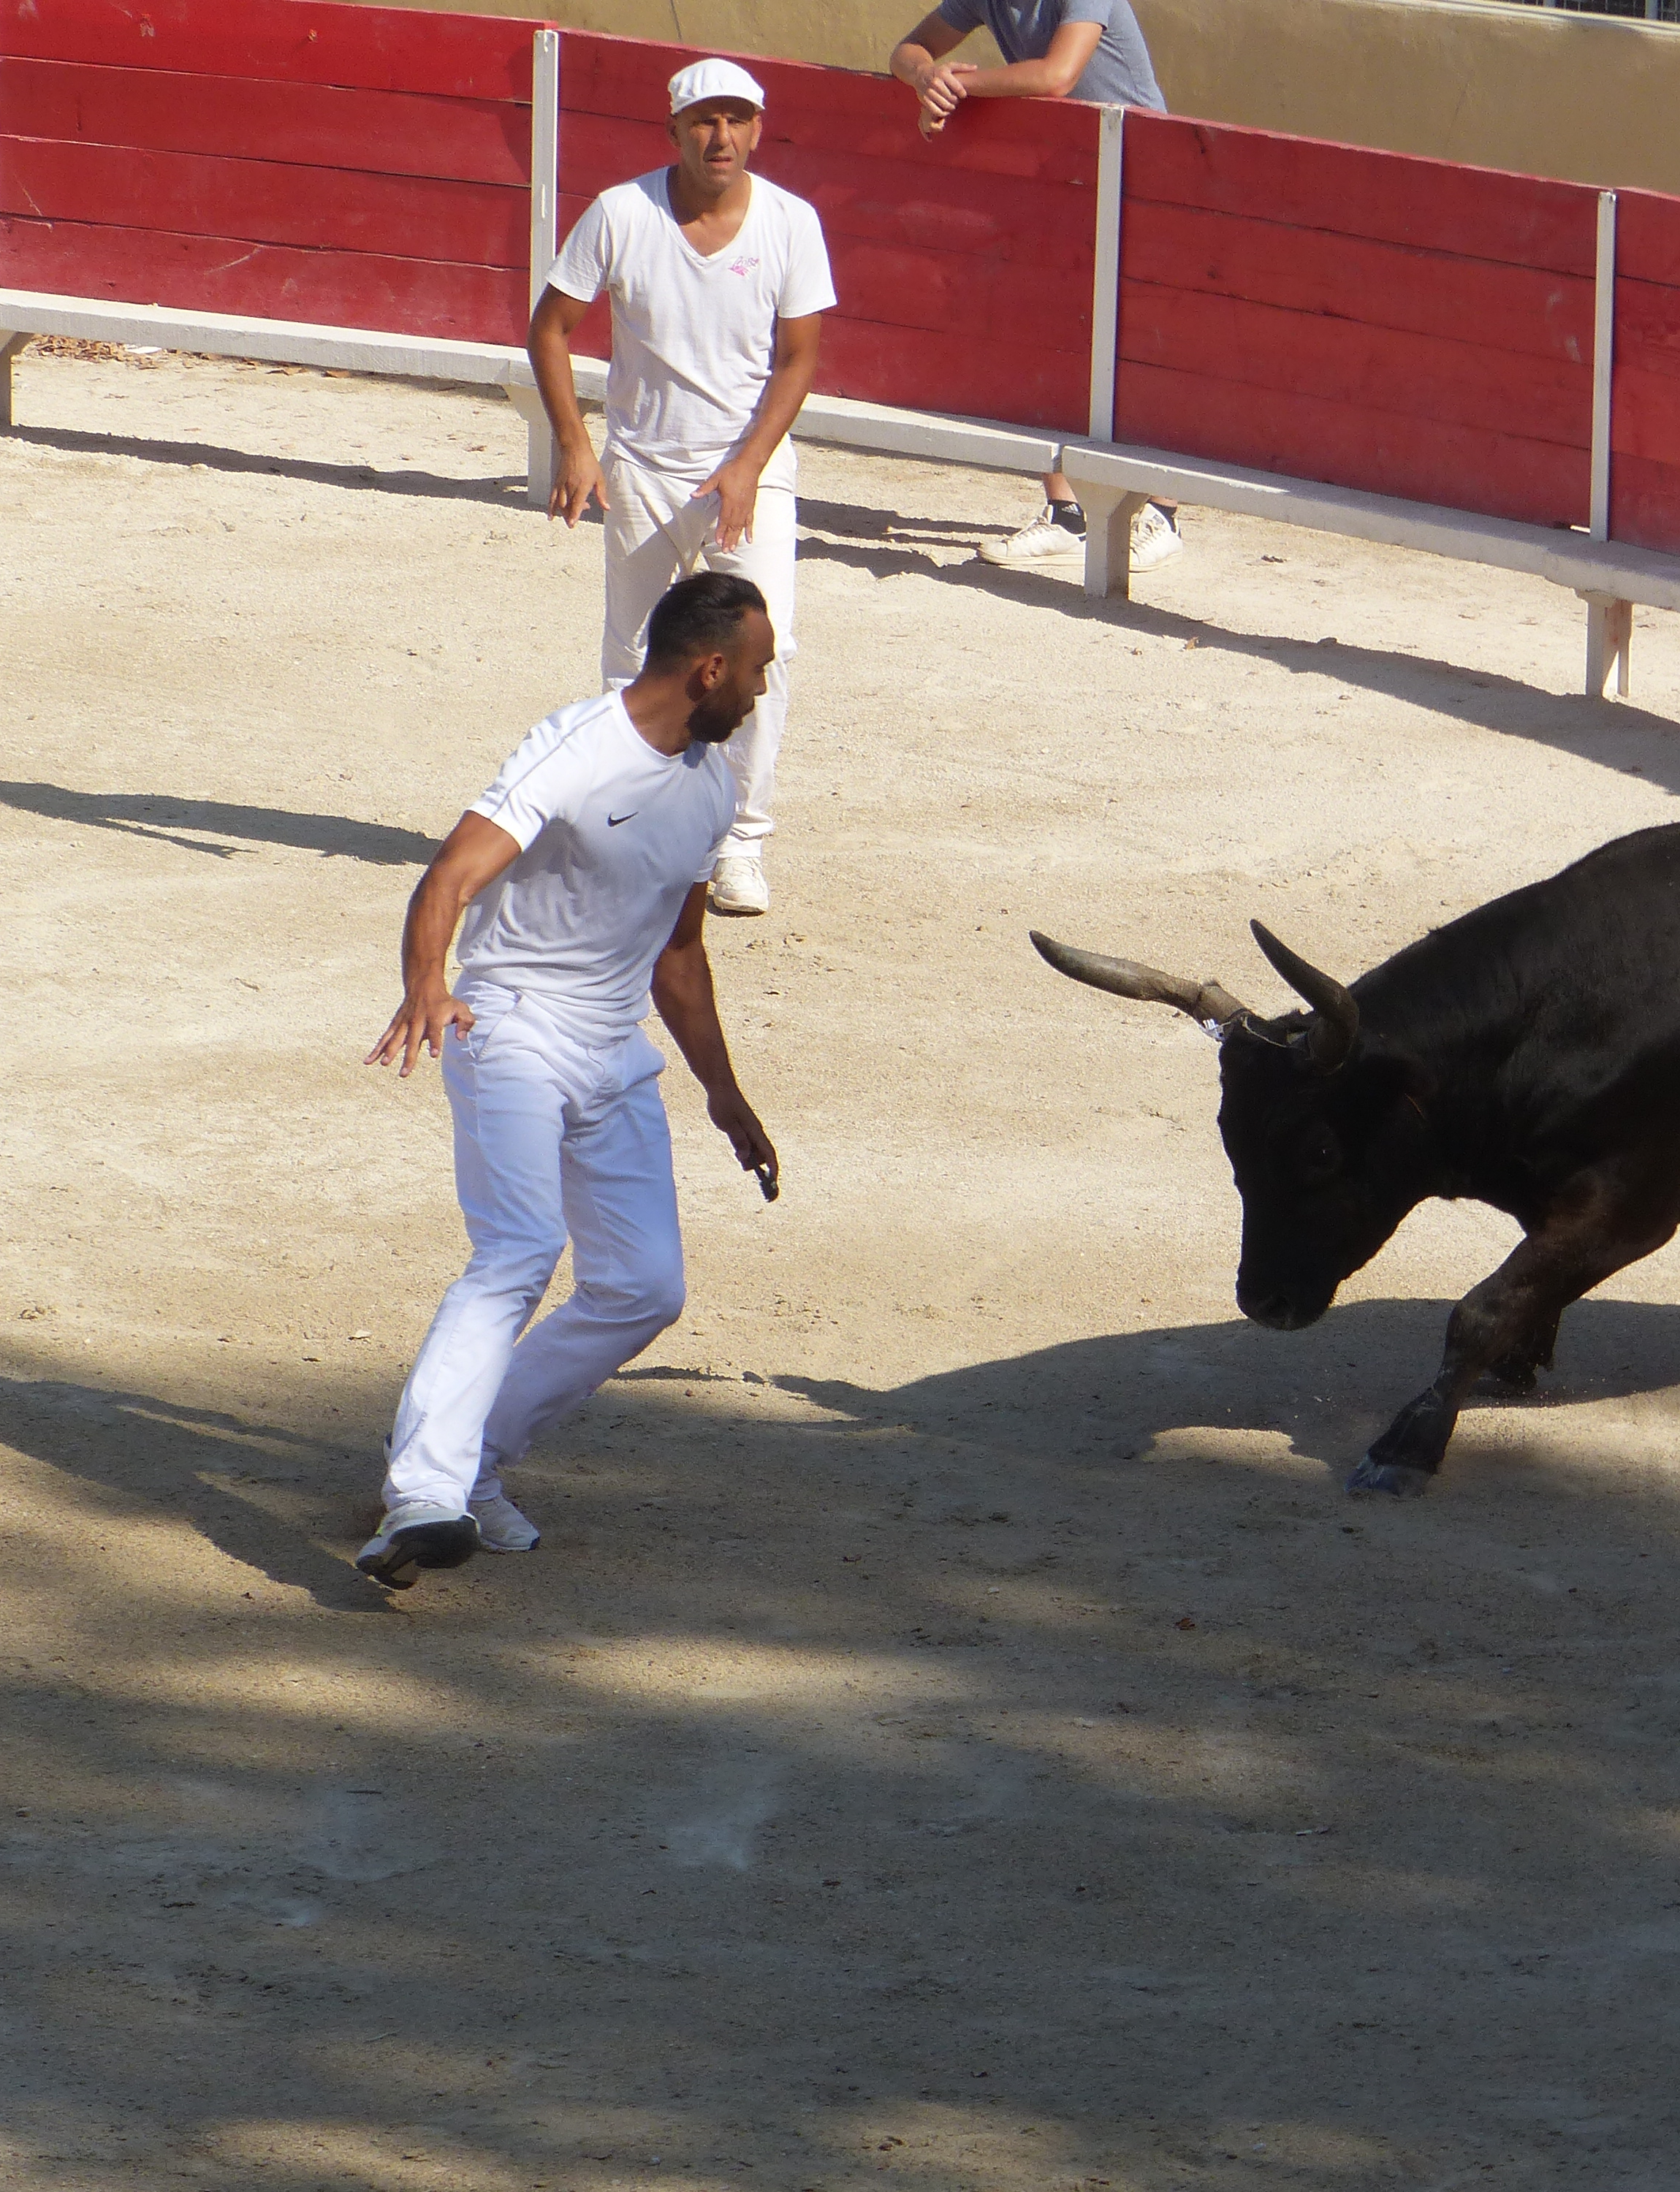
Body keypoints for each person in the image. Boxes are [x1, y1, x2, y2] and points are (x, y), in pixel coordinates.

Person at [356, 572, 781, 1590]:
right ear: (710, 667)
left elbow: (678, 956)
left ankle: (473, 1467)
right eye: (758, 670)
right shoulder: (577, 745)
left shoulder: (716, 782)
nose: (763, 692)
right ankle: (422, 1493)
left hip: (611, 1049)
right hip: (509, 1026)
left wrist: (724, 1092)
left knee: (644, 1286)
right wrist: (427, 983)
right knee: (519, 1247)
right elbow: (451, 873)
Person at [525, 58, 834, 920]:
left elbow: (799, 357)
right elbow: (550, 328)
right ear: (674, 132)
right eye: (704, 121)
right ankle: (628, 828)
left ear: (758, 129)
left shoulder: (790, 223)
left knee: (759, 656)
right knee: (631, 654)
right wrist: (575, 444)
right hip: (645, 466)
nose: (721, 137)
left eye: (737, 120)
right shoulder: (622, 213)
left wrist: (745, 467)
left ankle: (740, 843)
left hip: (751, 470)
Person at [888, 0, 1185, 574]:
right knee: (1044, 333)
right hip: (1066, 169)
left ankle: (1163, 514)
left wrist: (959, 89)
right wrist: (929, 76)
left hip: (1145, 174)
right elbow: (907, 49)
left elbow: (1057, 75)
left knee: (1148, 345)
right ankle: (1066, 513)